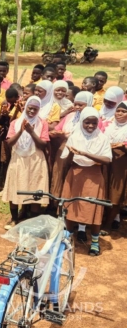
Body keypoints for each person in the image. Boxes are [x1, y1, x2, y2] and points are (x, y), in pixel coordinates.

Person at [60, 107, 112, 256]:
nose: (90, 126)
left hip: (94, 176)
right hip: (75, 174)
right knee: (71, 206)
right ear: (81, 121)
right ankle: (68, 238)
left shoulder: (102, 138)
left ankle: (94, 242)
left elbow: (107, 160)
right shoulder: (74, 137)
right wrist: (71, 153)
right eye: (87, 122)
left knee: (93, 208)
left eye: (94, 123)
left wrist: (85, 154)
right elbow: (67, 163)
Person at [1, 97, 50, 229]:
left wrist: (31, 132)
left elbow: (43, 145)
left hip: (36, 159)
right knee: (15, 187)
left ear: (39, 110)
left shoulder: (42, 123)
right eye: (30, 108)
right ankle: (14, 219)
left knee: (35, 189)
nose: (32, 111)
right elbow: (9, 143)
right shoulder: (15, 123)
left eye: (35, 109)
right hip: (18, 158)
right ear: (25, 107)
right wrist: (21, 131)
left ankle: (32, 222)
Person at [103, 101, 127, 232]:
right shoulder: (108, 125)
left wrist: (123, 147)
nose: (119, 114)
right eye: (118, 111)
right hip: (106, 161)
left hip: (121, 164)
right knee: (104, 191)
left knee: (115, 194)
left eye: (123, 111)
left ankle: (108, 225)